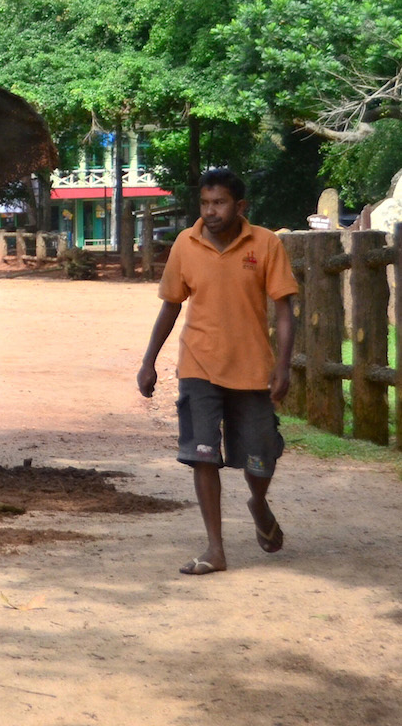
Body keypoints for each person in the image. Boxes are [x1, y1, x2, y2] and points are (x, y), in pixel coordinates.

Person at [137, 168, 298, 575]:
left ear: (240, 206)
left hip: (251, 371)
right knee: (202, 455)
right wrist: (148, 361)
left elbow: (283, 309)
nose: (211, 211)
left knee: (260, 460)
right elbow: (171, 305)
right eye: (205, 203)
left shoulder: (265, 244)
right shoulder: (185, 244)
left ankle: (258, 502)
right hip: (199, 365)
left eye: (220, 203)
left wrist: (283, 364)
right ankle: (215, 548)